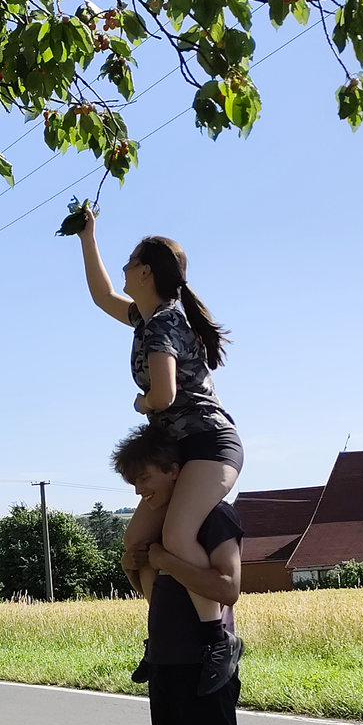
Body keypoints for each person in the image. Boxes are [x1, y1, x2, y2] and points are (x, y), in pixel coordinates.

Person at [76, 204, 244, 695]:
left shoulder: (163, 324)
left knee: (175, 536)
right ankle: (164, 633)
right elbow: (101, 295)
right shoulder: (144, 317)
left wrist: (141, 402)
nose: (124, 270)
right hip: (178, 451)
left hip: (208, 445)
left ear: (147, 273)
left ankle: (218, 640)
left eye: (130, 262)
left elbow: (165, 395)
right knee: (135, 546)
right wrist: (88, 237)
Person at [113, 424, 253, 725]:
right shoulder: (160, 529)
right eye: (133, 484)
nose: (139, 492)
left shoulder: (216, 516)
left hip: (206, 666)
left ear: (176, 471)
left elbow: (228, 588)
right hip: (165, 664)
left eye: (144, 479)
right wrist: (139, 566)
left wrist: (167, 560)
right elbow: (156, 598)